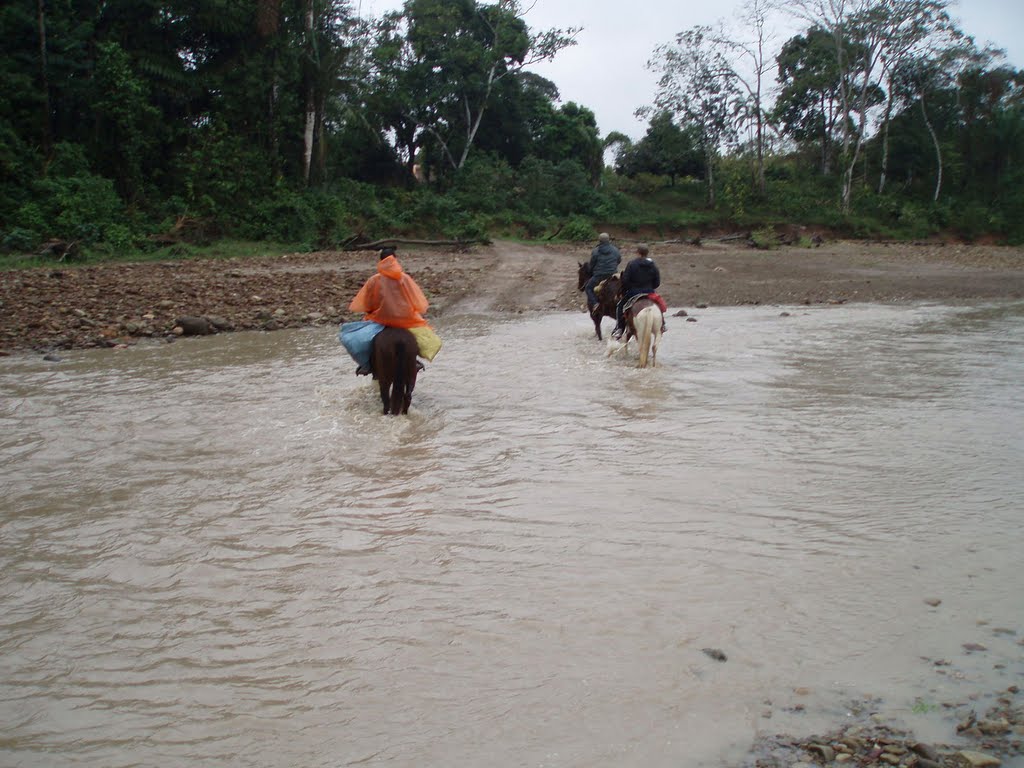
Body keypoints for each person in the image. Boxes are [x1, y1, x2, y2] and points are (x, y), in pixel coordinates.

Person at [348, 245, 429, 376]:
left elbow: (367, 304)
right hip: (404, 320)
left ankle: (367, 365)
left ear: (380, 261)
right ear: (395, 260)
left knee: (364, 341)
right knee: (418, 337)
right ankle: (414, 361)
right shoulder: (404, 278)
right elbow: (416, 301)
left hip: (381, 320)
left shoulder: (374, 280)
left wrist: (372, 311)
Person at [611, 243, 662, 340]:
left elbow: (625, 281)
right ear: (647, 253)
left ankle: (619, 329)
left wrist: (628, 288)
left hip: (634, 293)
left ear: (638, 253)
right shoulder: (653, 265)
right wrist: (650, 288)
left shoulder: (631, 264)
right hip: (649, 292)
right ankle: (662, 325)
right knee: (659, 306)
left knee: (620, 306)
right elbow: (657, 282)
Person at [584, 233, 622, 311]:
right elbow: (619, 260)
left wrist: (592, 271)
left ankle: (595, 304)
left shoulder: (595, 251)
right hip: (612, 275)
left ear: (599, 241)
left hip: (599, 275)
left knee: (588, 288)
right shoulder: (615, 250)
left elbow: (592, 264)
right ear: (609, 240)